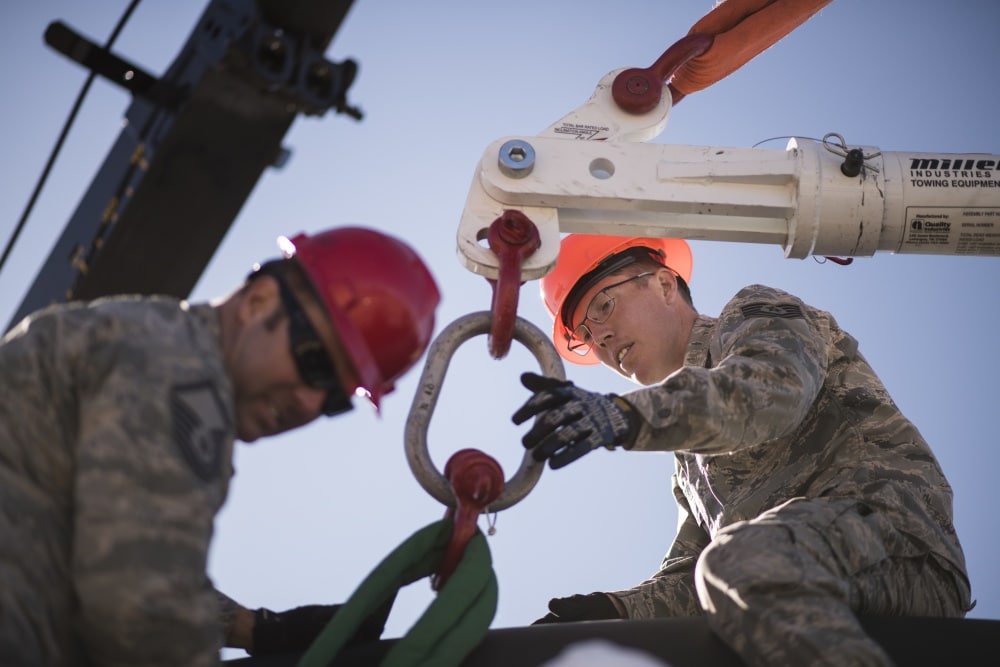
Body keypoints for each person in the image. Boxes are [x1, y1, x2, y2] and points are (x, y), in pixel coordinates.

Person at [511, 234, 972, 666]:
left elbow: (770, 394)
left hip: (897, 547)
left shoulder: (755, 311)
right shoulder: (689, 462)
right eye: (586, 337)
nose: (601, 339)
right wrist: (614, 611)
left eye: (603, 306)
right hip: (797, 580)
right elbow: (694, 580)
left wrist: (628, 416)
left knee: (738, 562)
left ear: (665, 284)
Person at [0, 226, 440, 666]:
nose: (309, 401)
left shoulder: (156, 345)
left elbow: (111, 552)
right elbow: (139, 610)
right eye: (316, 363)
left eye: (334, 400)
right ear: (258, 302)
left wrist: (256, 629)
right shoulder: (183, 379)